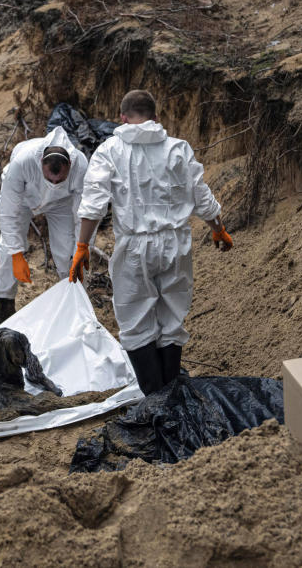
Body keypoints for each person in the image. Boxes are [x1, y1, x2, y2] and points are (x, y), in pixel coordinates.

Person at [69, 90, 232, 395]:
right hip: (176, 244)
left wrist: (82, 247)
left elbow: (93, 204)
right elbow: (201, 194)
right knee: (171, 317)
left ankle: (155, 399)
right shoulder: (178, 149)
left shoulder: (109, 151)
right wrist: (218, 228)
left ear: (122, 117)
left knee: (134, 319)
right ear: (157, 118)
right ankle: (170, 395)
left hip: (134, 247)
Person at [0, 126, 88, 332]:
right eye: (50, 178)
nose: (54, 182)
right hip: (24, 199)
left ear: (70, 165)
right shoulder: (22, 162)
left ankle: (75, 305)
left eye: (60, 179)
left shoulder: (81, 166)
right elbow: (8, 212)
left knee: (68, 252)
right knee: (8, 247)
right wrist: (17, 253)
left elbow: (83, 212)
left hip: (62, 202)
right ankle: (4, 304)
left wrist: (82, 246)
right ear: (41, 163)